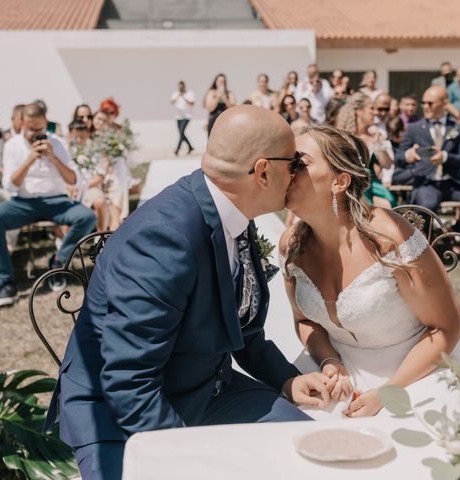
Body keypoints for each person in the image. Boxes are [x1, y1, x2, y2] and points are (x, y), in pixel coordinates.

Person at [46, 105, 331, 480]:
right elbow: (129, 383)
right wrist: (190, 458)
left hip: (209, 388)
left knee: (308, 453)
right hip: (118, 416)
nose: (296, 173)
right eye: (293, 163)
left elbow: (241, 328)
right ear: (262, 172)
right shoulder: (166, 239)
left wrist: (287, 379)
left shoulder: (232, 210)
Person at [280, 124, 460, 417]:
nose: (286, 172)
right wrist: (329, 361)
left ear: (340, 181)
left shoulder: (389, 237)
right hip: (339, 369)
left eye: (299, 163)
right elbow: (304, 321)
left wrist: (389, 392)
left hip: (418, 369)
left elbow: (446, 327)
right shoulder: (292, 246)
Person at [0, 103, 96, 307]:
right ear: (22, 123)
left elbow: (73, 180)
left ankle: (58, 261)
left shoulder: (58, 143)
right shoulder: (13, 145)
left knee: (87, 217)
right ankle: (6, 283)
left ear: (45, 124)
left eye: (40, 128)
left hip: (56, 201)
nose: (36, 133)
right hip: (23, 202)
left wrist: (52, 157)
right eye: (32, 128)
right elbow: (10, 184)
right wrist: (30, 159)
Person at [396, 86, 460, 234]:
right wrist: (408, 155)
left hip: (454, 182)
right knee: (426, 207)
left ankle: (450, 233)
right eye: (423, 103)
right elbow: (398, 156)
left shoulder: (457, 128)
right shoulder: (414, 128)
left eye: (430, 103)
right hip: (427, 182)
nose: (425, 106)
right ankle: (427, 247)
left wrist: (445, 157)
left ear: (444, 103)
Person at [338, 93, 395, 208]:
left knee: (390, 200)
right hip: (350, 183)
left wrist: (379, 143)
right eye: (371, 108)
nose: (375, 112)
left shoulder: (376, 135)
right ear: (359, 111)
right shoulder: (343, 137)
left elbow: (387, 165)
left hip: (373, 183)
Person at [170, 80, 195, 155]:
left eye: (182, 87)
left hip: (187, 116)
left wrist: (183, 96)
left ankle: (177, 150)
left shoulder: (189, 93)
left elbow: (192, 103)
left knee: (181, 132)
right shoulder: (175, 94)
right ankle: (190, 147)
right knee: (181, 133)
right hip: (178, 117)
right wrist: (178, 95)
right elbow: (171, 102)